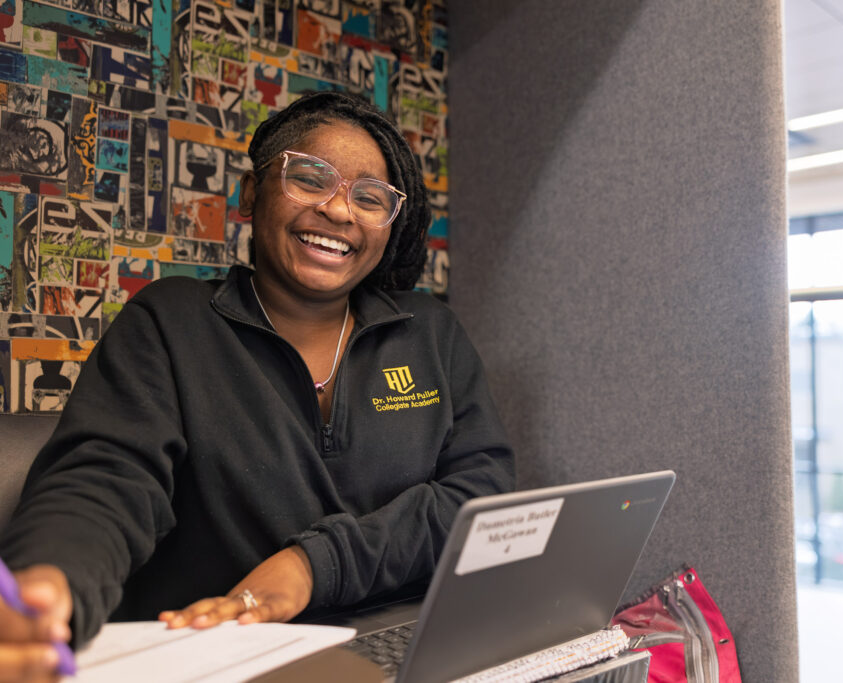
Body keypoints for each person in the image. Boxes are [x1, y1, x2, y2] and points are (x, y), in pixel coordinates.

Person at [0, 91, 515, 680]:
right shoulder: (170, 324)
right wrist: (49, 583)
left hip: (413, 645)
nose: (340, 212)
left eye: (370, 198)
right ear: (251, 193)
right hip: (226, 657)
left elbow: (482, 500)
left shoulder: (430, 333)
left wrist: (310, 566)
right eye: (310, 177)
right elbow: (107, 480)